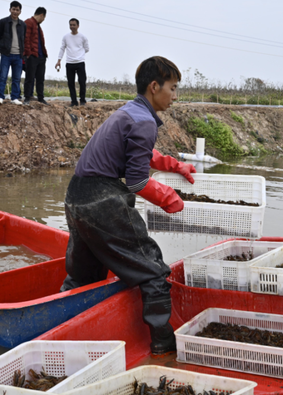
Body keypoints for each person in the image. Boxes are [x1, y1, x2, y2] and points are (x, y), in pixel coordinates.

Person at [60, 56, 196, 356]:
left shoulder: (130, 112)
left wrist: (176, 166)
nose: (175, 97)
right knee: (152, 270)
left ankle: (57, 330)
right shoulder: (144, 120)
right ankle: (164, 345)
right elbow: (136, 182)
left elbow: (142, 152)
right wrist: (168, 198)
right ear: (154, 86)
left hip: (76, 197)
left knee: (83, 276)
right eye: (173, 89)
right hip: (102, 201)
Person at [0, 1, 26, 105]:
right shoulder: (3, 22)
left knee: (16, 78)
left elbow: (24, 39)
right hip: (6, 54)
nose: (15, 11)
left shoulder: (23, 25)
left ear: (20, 11)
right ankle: (0, 96)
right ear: (10, 10)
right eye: (13, 9)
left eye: (17, 10)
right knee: (3, 76)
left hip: (18, 55)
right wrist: (4, 46)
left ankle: (14, 97)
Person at [55, 18, 89, 107]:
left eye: (74, 25)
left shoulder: (83, 37)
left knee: (82, 82)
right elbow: (62, 48)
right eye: (70, 25)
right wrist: (59, 60)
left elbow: (87, 49)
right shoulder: (66, 37)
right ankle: (74, 101)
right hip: (69, 63)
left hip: (80, 62)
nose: (72, 26)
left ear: (78, 26)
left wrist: (79, 55)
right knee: (70, 83)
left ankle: (82, 100)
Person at [23, 7, 48, 106]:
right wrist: (28, 54)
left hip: (41, 56)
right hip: (32, 56)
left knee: (40, 78)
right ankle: (27, 97)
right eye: (44, 17)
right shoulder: (29, 23)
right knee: (30, 77)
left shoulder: (38, 26)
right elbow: (26, 39)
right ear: (42, 15)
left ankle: (41, 98)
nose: (43, 20)